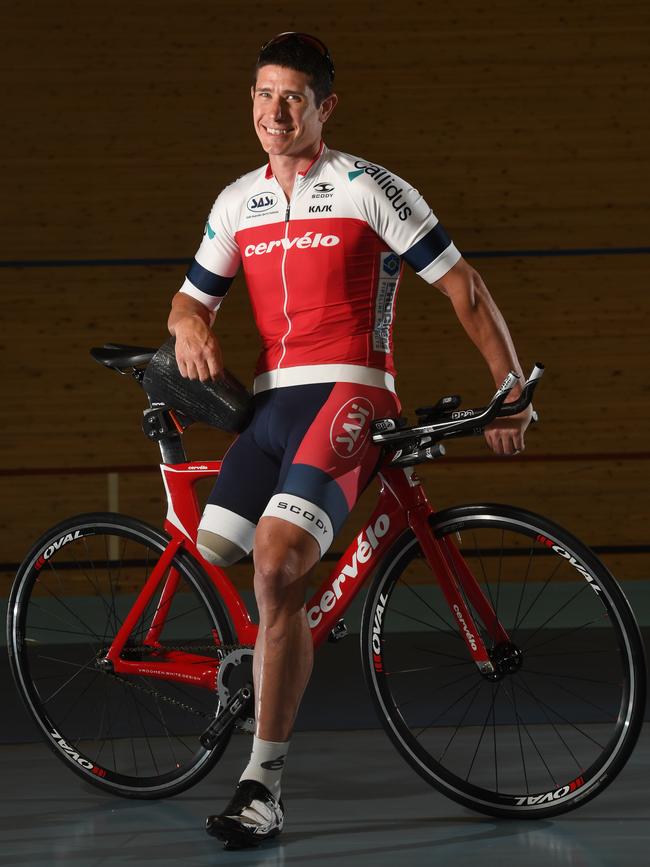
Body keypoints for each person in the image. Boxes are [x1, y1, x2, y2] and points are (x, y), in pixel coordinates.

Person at [167, 32, 532, 849]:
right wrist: (190, 327)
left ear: (324, 107)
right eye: (263, 93)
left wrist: (508, 388)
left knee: (276, 560)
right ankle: (263, 657)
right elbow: (189, 303)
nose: (275, 110)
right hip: (268, 410)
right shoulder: (237, 201)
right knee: (218, 548)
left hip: (350, 391)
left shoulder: (369, 187)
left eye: (293, 95)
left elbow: (463, 286)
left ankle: (262, 782)